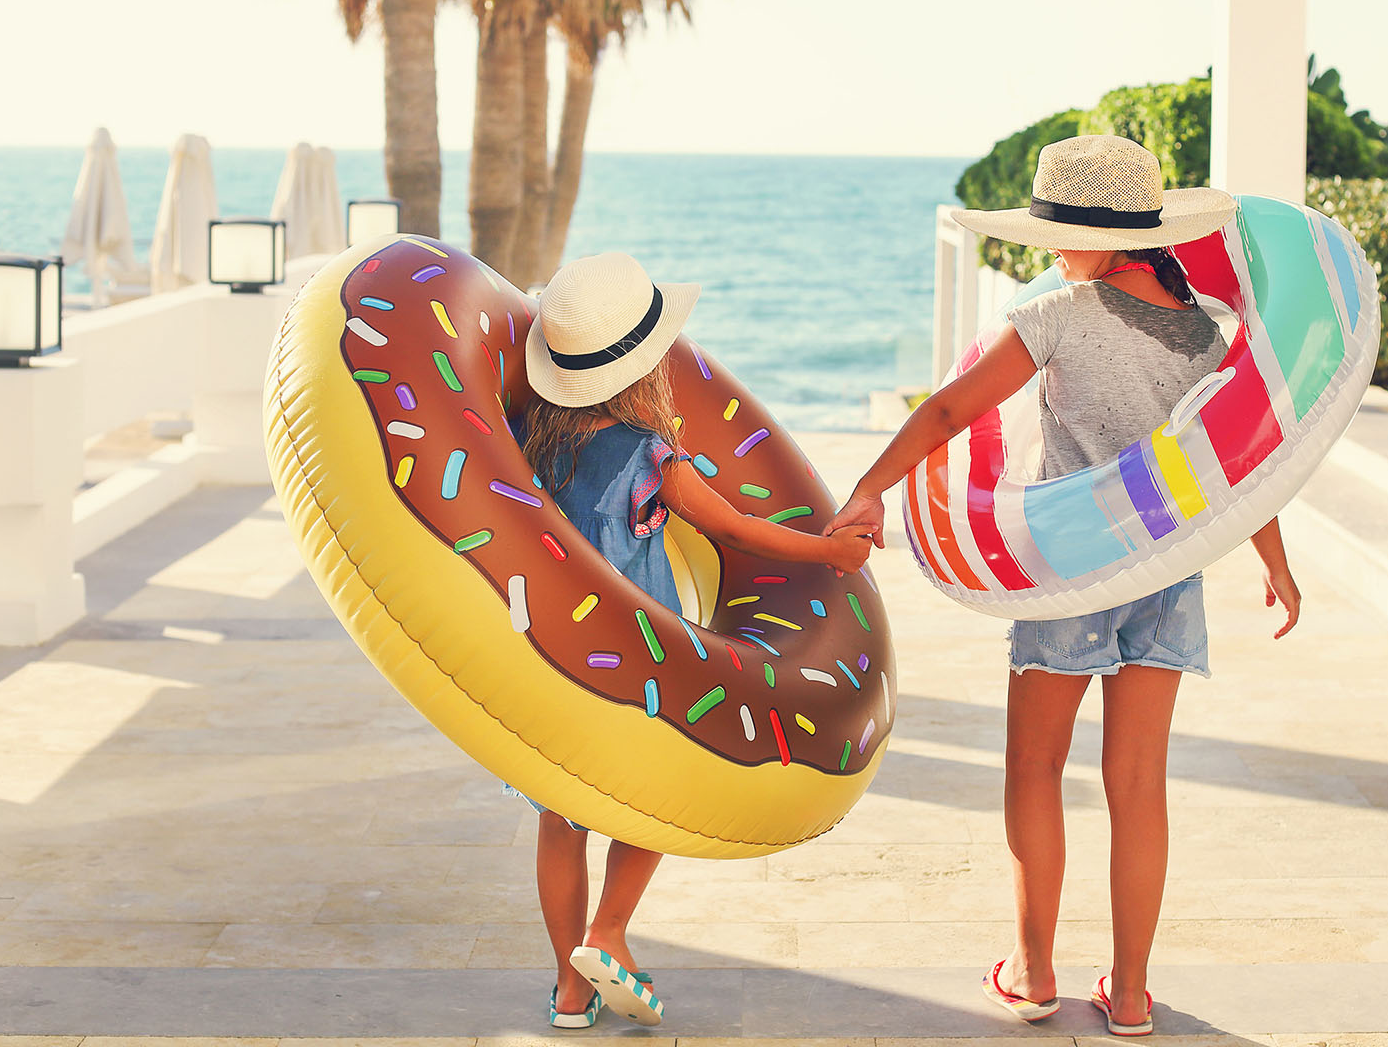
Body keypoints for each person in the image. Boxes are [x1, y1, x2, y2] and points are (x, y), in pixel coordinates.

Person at [825, 136, 1300, 1038]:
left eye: (1057, 232)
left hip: (1072, 573)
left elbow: (950, 407)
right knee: (1138, 783)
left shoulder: (1061, 314)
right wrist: (1274, 562)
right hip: (1166, 576)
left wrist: (869, 489)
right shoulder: (1206, 335)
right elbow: (1232, 465)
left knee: (1036, 766)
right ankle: (1128, 994)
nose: (1047, 250)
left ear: (1101, 234)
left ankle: (1033, 971)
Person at [512, 252, 876, 1029]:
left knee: (559, 821)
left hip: (553, 665)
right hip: (641, 665)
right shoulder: (653, 458)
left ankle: (569, 992)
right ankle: (608, 932)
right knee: (654, 803)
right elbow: (740, 529)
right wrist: (832, 553)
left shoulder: (528, 446)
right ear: (643, 369)